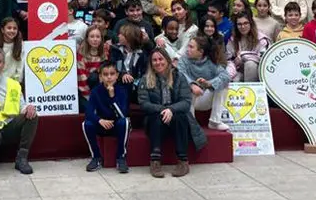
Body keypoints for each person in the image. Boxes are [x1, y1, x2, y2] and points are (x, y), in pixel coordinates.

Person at [137, 48, 205, 178]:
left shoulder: (179, 77)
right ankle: (155, 161)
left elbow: (186, 102)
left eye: (161, 59)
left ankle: (183, 161)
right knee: (155, 117)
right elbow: (144, 104)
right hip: (156, 119)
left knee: (180, 116)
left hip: (175, 116)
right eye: (154, 60)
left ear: (167, 61)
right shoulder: (145, 79)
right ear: (151, 63)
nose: (158, 62)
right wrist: (163, 110)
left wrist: (171, 110)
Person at [83, 62, 130, 173]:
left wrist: (112, 96)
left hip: (117, 124)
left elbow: (122, 114)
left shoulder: (122, 90)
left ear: (117, 76)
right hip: (102, 124)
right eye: (105, 74)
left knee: (124, 122)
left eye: (112, 74)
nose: (109, 77)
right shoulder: (95, 91)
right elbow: (88, 112)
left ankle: (121, 157)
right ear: (100, 77)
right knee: (86, 124)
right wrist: (99, 120)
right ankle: (96, 157)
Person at [178, 34, 230, 131]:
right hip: (188, 100)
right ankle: (191, 123)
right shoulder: (183, 60)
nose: (187, 49)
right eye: (188, 46)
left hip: (204, 98)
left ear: (201, 52)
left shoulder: (211, 63)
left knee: (223, 85)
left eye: (191, 47)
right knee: (188, 89)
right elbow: (180, 74)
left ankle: (215, 122)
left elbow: (226, 76)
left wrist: (209, 83)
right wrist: (192, 85)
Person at [77, 25, 109, 108]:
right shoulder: (81, 55)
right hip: (86, 91)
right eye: (92, 36)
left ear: (101, 39)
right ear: (87, 38)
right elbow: (82, 78)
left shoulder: (105, 53)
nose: (95, 39)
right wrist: (89, 96)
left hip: (102, 89)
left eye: (98, 37)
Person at [231, 12, 268, 82]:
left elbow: (263, 59)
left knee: (250, 64)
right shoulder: (233, 39)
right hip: (238, 70)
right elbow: (228, 58)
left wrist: (243, 55)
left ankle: (250, 91)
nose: (243, 27)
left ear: (251, 23)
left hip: (257, 71)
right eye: (239, 24)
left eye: (245, 23)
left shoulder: (261, 39)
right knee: (236, 79)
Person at [113, 23, 148, 89]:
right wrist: (123, 74)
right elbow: (115, 66)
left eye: (121, 34)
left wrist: (136, 82)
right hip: (118, 81)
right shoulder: (116, 50)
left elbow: (143, 72)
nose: (118, 36)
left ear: (129, 37)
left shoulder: (141, 54)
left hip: (135, 84)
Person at [0, 17, 25, 82]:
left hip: (13, 81)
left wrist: (16, 81)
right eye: (9, 28)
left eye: (15, 28)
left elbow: (20, 67)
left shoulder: (21, 45)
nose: (12, 31)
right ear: (2, 30)